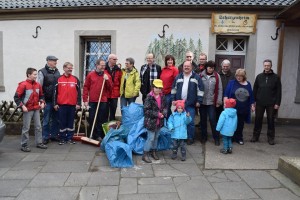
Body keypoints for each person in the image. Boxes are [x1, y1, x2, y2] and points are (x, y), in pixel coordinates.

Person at [14, 68, 47, 152]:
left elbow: (41, 95)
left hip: (36, 108)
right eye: (34, 74)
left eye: (36, 74)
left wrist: (42, 102)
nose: (36, 76)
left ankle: (39, 142)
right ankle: (24, 145)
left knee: (38, 127)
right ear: (29, 75)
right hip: (27, 109)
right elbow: (16, 97)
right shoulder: (23, 85)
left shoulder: (38, 85)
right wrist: (22, 106)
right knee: (26, 128)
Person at [171, 61, 204, 145]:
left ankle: (190, 138)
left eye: (188, 66)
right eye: (185, 66)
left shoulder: (196, 77)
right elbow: (173, 89)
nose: (186, 67)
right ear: (183, 67)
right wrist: (173, 99)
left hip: (190, 104)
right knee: (180, 121)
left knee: (190, 122)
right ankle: (181, 137)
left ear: (191, 67)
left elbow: (200, 90)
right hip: (179, 104)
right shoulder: (178, 77)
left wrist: (199, 101)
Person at [251, 59, 282, 145]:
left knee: (271, 120)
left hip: (271, 103)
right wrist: (253, 101)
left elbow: (279, 91)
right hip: (260, 102)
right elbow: (255, 89)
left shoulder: (276, 77)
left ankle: (271, 138)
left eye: (268, 65)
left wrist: (277, 103)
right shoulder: (259, 76)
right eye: (265, 65)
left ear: (271, 66)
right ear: (263, 66)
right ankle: (255, 136)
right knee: (258, 119)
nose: (266, 67)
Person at [83, 59, 113, 141]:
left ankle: (100, 135)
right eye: (102, 65)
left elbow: (110, 88)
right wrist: (85, 100)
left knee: (102, 118)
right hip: (93, 100)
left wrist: (107, 80)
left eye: (104, 65)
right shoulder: (90, 75)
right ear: (97, 65)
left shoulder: (107, 75)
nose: (103, 67)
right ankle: (93, 134)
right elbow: (86, 87)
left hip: (103, 101)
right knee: (92, 118)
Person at [224, 69, 255, 145]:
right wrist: (225, 104)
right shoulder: (232, 83)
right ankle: (231, 137)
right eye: (237, 76)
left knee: (240, 124)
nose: (238, 77)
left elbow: (251, 96)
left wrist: (252, 105)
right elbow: (226, 94)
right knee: (232, 123)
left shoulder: (248, 84)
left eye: (240, 76)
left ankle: (239, 138)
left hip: (243, 108)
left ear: (244, 76)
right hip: (232, 107)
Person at [53, 62, 81, 145]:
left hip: (72, 105)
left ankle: (69, 138)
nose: (70, 69)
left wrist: (78, 103)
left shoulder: (75, 79)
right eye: (69, 68)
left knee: (71, 122)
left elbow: (79, 93)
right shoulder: (58, 79)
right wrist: (55, 103)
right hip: (62, 105)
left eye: (71, 68)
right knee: (62, 122)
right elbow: (54, 93)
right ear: (64, 68)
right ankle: (62, 138)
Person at [143, 79, 167, 163]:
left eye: (160, 88)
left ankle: (153, 151)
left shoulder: (162, 97)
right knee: (151, 138)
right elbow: (146, 110)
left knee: (156, 137)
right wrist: (157, 114)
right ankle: (145, 154)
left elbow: (164, 107)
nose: (158, 89)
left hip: (159, 122)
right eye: (157, 87)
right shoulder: (149, 97)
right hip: (151, 122)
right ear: (153, 87)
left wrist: (164, 113)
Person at [38, 55, 60, 144]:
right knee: (46, 119)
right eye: (54, 61)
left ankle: (54, 135)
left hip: (56, 100)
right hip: (47, 100)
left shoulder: (57, 72)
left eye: (56, 60)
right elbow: (39, 87)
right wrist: (42, 99)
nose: (56, 62)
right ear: (48, 61)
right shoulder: (42, 72)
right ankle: (45, 137)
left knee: (56, 119)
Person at [199, 60, 223, 145]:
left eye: (212, 68)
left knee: (213, 120)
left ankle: (216, 138)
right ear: (206, 67)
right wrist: (198, 100)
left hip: (211, 103)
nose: (210, 69)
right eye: (209, 68)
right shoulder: (201, 75)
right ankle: (203, 137)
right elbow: (198, 88)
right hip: (202, 102)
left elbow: (220, 89)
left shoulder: (217, 76)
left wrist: (219, 101)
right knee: (203, 121)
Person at [105, 54, 122, 121]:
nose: (115, 61)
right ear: (109, 59)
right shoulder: (104, 69)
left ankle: (112, 127)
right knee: (105, 111)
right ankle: (105, 127)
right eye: (114, 59)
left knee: (113, 111)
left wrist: (119, 92)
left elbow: (120, 81)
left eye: (116, 59)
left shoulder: (118, 70)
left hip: (115, 93)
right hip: (106, 93)